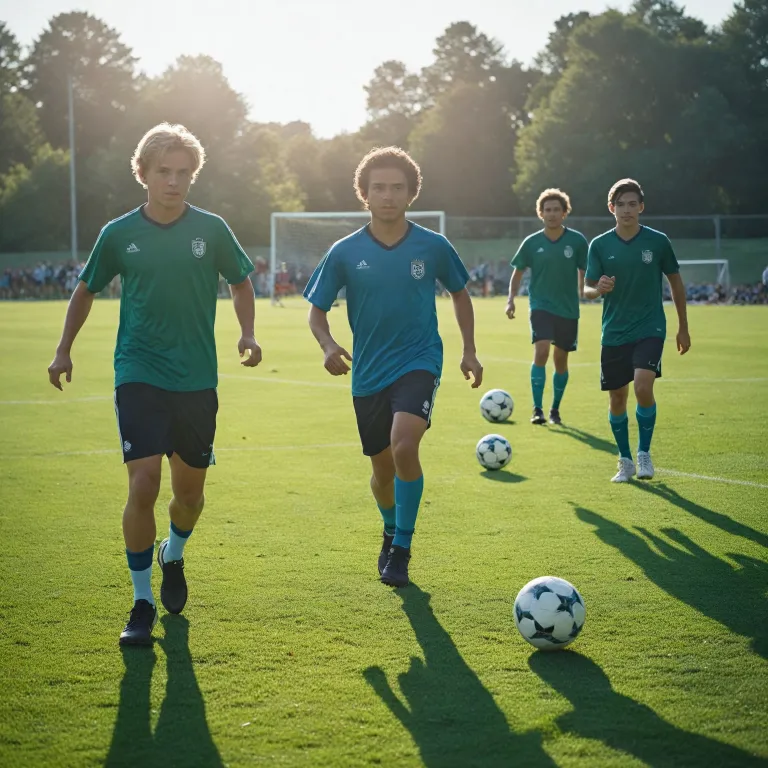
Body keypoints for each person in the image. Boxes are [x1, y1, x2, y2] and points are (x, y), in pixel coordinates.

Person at [47, 123, 262, 646]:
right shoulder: (118, 234)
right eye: (163, 172)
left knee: (188, 498)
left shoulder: (211, 229)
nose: (174, 181)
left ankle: (174, 553)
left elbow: (240, 281)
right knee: (142, 484)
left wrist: (248, 333)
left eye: (183, 173)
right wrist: (63, 349)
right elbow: (86, 290)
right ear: (142, 173)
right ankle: (141, 602)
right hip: (138, 372)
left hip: (196, 380)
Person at [303, 146, 483, 588]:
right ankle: (389, 526)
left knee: (404, 447)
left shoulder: (433, 245)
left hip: (419, 360)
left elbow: (460, 292)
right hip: (368, 373)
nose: (388, 195)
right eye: (379, 187)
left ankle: (401, 547)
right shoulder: (345, 251)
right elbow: (316, 311)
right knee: (382, 472)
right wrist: (327, 346)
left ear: (411, 193)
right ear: (364, 193)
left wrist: (469, 349)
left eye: (397, 188)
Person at [584, 178, 690, 483]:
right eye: (620, 204)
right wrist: (598, 288)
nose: (627, 210)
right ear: (611, 208)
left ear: (641, 207)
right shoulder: (600, 245)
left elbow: (676, 283)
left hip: (650, 326)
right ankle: (626, 461)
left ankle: (644, 454)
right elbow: (588, 289)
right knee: (617, 398)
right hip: (615, 331)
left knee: (643, 386)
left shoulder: (658, 242)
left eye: (632, 204)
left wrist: (683, 327)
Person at [506, 189, 587, 425]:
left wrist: (586, 290)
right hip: (540, 305)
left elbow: (586, 269)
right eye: (547, 210)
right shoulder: (531, 243)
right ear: (541, 213)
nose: (552, 214)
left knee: (560, 360)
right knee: (541, 351)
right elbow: (518, 271)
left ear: (564, 213)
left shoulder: (577, 241)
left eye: (556, 210)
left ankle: (555, 409)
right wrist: (511, 298)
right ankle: (537, 409)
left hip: (568, 309)